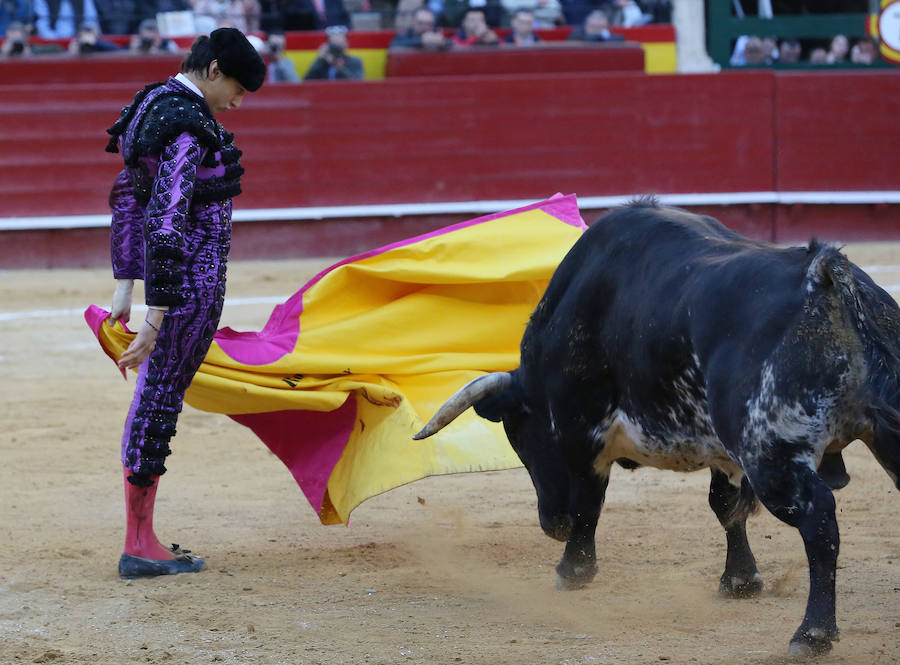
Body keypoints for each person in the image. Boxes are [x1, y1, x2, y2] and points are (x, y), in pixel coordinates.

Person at [103, 27, 266, 579]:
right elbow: (168, 224)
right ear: (214, 70)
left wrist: (126, 285)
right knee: (159, 403)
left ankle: (140, 537)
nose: (238, 103)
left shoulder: (150, 103)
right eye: (238, 89)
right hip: (188, 292)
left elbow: (128, 195)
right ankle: (139, 544)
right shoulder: (190, 125)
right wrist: (156, 314)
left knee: (154, 399)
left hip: (171, 290)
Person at [33, 0, 101, 38]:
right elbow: (42, 26)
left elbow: (91, 22)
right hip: (51, 46)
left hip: (79, 44)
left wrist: (79, 39)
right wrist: (57, 42)